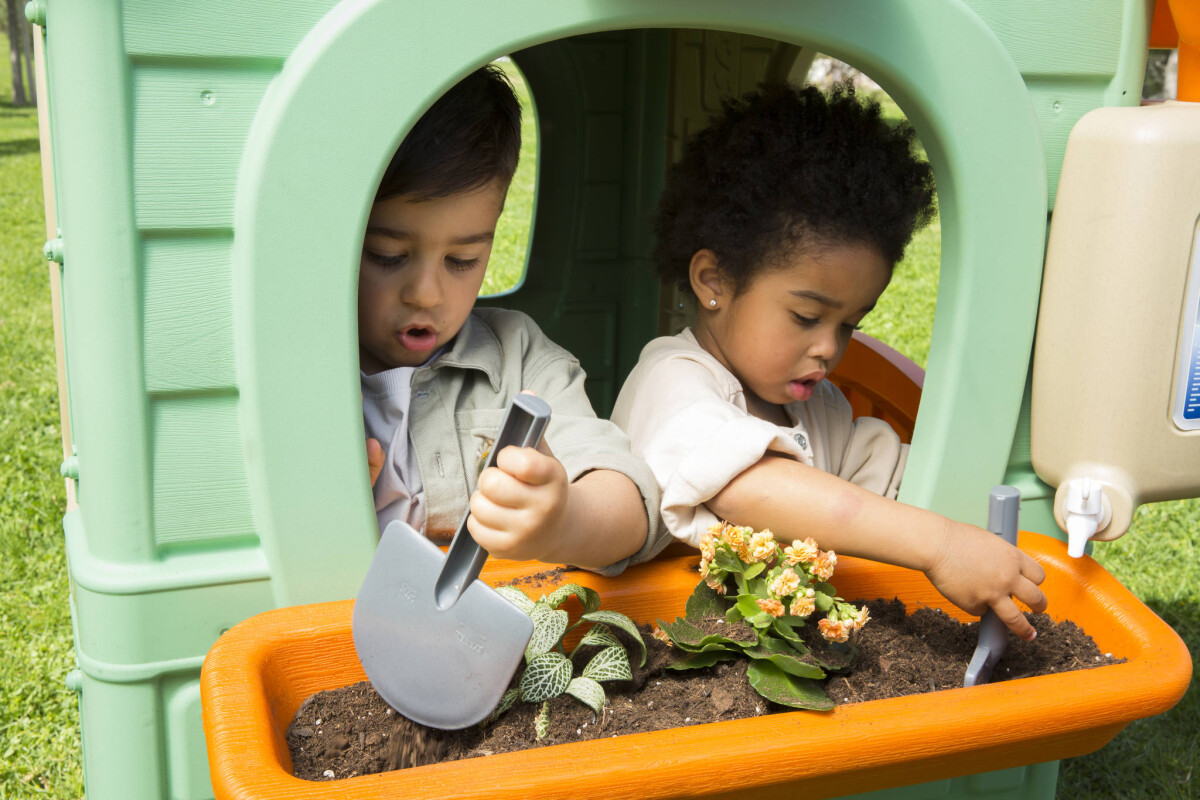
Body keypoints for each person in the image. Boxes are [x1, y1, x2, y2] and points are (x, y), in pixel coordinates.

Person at [611, 83, 1047, 637]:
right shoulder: (672, 382)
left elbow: (902, 485)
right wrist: (940, 544)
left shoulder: (820, 409)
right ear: (713, 281)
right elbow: (750, 488)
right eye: (806, 317)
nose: (829, 348)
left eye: (850, 323)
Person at [359, 64, 665, 575]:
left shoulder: (518, 358)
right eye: (387, 254)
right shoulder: (298, 374)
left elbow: (630, 498)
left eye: (462, 260)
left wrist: (565, 521)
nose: (426, 293)